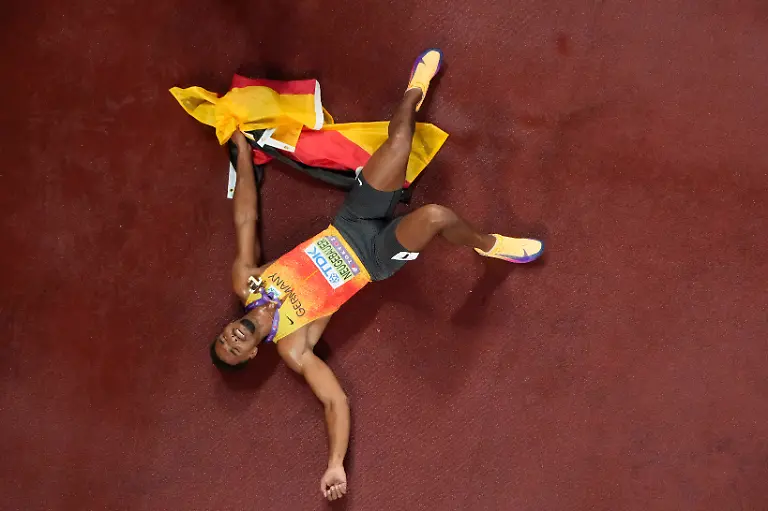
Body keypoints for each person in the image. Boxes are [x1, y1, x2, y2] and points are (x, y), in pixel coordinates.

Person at [212, 49, 543, 501]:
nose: (232, 339)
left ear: (229, 326)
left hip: (349, 222)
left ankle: (414, 90)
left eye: (224, 337)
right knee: (436, 216)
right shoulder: (294, 347)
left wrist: (245, 157)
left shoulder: (247, 280)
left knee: (401, 139)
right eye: (235, 351)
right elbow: (335, 402)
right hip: (374, 259)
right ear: (251, 356)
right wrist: (334, 465)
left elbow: (245, 218)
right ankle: (491, 247)